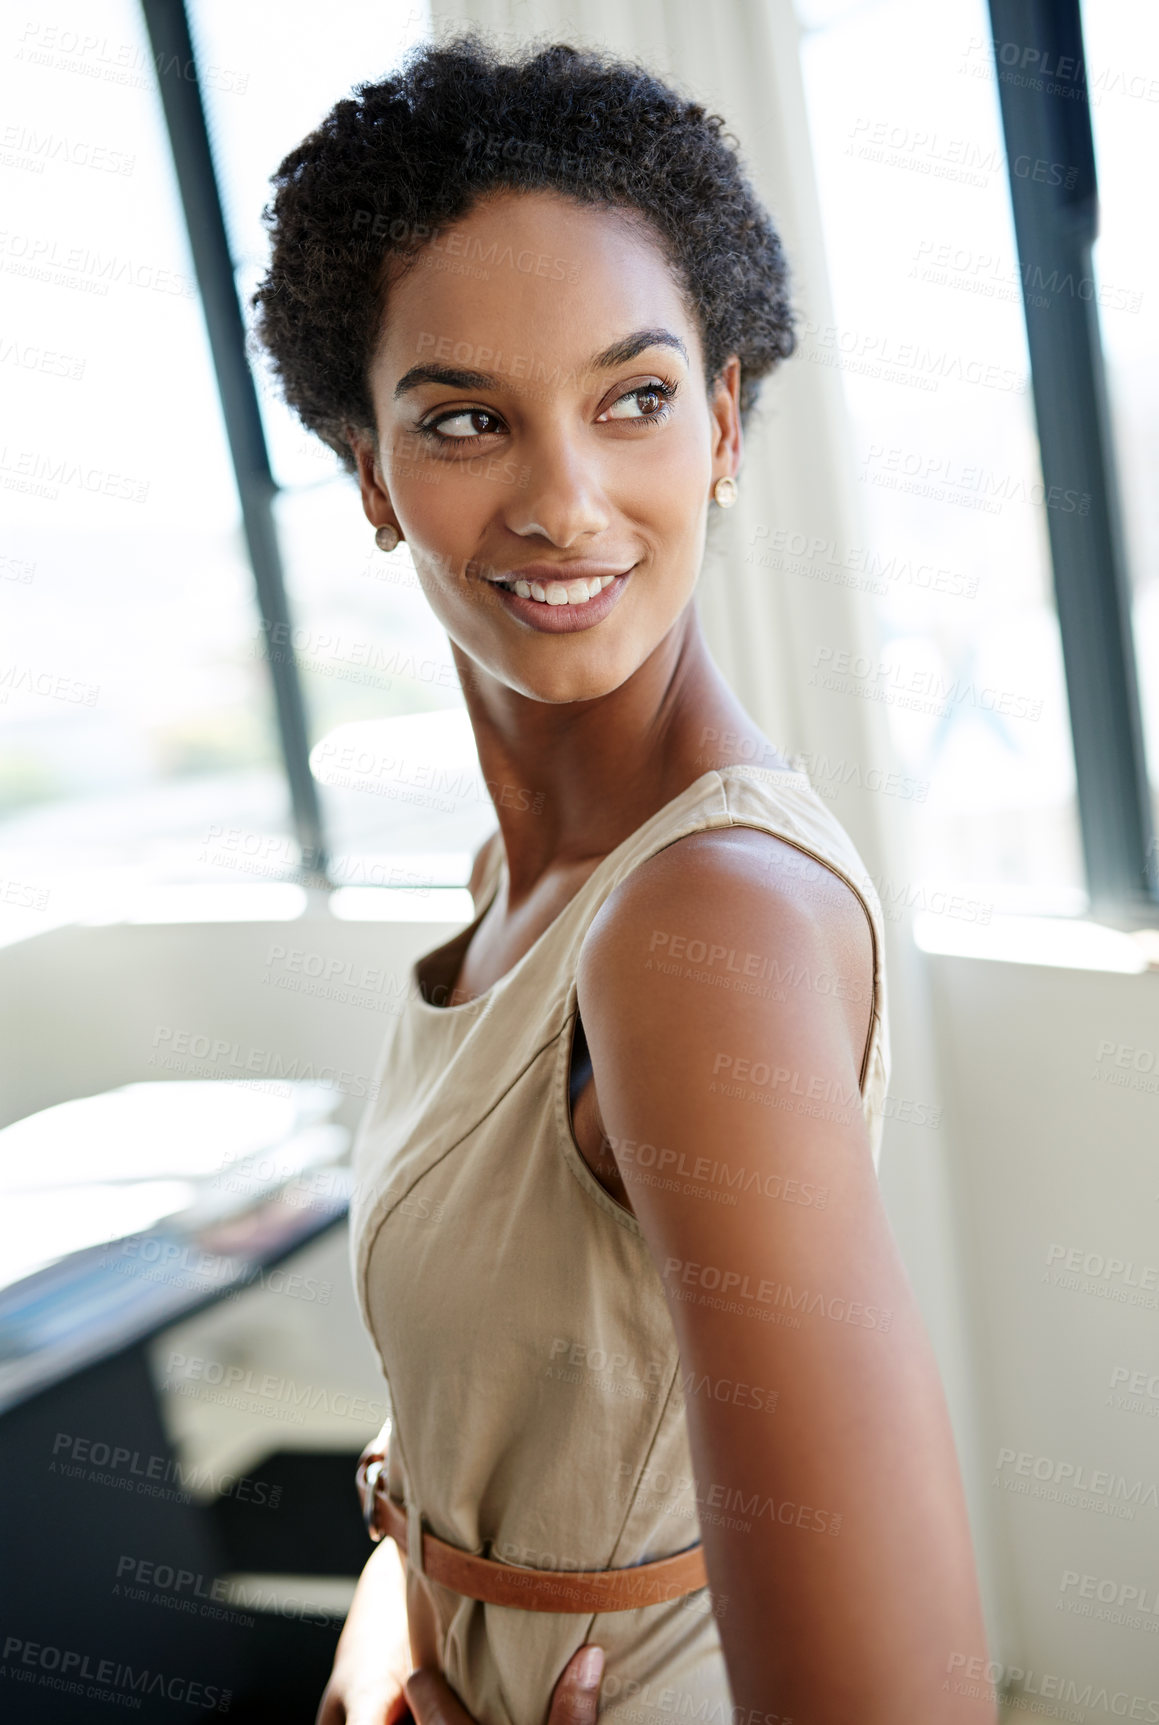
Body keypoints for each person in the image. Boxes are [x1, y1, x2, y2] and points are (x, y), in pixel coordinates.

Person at [252, 32, 997, 1725]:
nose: (566, 501)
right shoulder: (531, 886)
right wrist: (395, 1637)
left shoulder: (696, 922)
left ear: (725, 420)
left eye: (636, 397)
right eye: (465, 420)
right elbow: (479, 1413)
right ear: (372, 474)